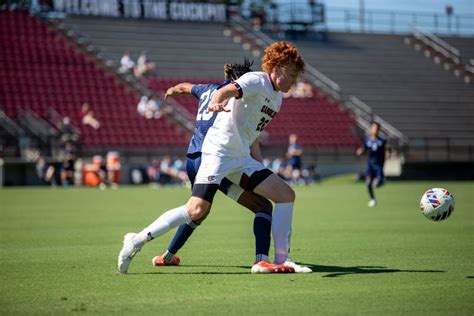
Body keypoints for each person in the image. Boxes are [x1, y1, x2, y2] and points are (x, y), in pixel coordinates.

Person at [118, 41, 311, 274]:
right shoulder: (256, 80)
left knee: (285, 194)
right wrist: (217, 100)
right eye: (291, 75)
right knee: (196, 210)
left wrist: (259, 169)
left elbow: (252, 134)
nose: (294, 82)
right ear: (277, 68)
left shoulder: (277, 98)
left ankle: (279, 261)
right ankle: (136, 240)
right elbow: (224, 90)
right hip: (218, 152)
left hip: (240, 158)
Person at [151, 59, 287, 272]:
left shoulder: (206, 89)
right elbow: (249, 137)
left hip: (193, 158)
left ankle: (167, 256)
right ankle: (261, 259)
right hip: (217, 158)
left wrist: (172, 90)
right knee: (261, 206)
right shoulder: (239, 99)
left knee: (198, 211)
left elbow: (186, 86)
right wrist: (258, 168)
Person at [356, 122, 391, 207]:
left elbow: (388, 149)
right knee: (368, 183)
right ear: (371, 129)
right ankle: (373, 199)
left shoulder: (382, 141)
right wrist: (360, 151)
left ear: (378, 130)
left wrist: (388, 153)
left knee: (376, 184)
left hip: (379, 166)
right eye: (373, 128)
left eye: (376, 128)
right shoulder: (367, 140)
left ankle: (381, 180)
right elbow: (364, 149)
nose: (375, 130)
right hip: (370, 165)